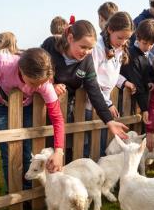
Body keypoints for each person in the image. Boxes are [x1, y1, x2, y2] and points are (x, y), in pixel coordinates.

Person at [0, 48, 65, 193]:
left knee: (27, 150)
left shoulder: (45, 84)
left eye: (41, 83)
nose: (37, 87)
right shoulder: (3, 63)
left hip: (26, 107)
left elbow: (57, 119)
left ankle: (26, 192)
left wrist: (59, 151)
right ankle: (12, 191)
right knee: (7, 151)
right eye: (33, 83)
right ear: (21, 70)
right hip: (0, 103)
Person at [41, 18, 129, 159]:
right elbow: (34, 70)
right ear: (70, 38)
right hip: (41, 108)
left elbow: (94, 91)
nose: (87, 52)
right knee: (43, 148)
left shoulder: (86, 61)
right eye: (83, 47)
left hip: (66, 109)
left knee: (65, 148)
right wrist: (50, 85)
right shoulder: (50, 46)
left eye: (90, 48)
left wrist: (109, 121)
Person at [87, 11, 135, 156]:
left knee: (101, 144)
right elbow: (92, 78)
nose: (123, 42)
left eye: (127, 38)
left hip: (103, 103)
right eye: (120, 37)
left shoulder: (119, 48)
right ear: (109, 30)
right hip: (91, 103)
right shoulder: (98, 48)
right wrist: (107, 103)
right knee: (89, 146)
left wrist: (123, 82)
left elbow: (111, 72)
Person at [120, 19, 154, 128]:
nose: (148, 47)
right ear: (137, 38)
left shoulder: (143, 56)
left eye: (151, 44)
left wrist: (148, 81)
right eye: (145, 43)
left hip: (135, 102)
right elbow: (137, 82)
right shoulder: (132, 55)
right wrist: (145, 109)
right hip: (125, 103)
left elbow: (144, 72)